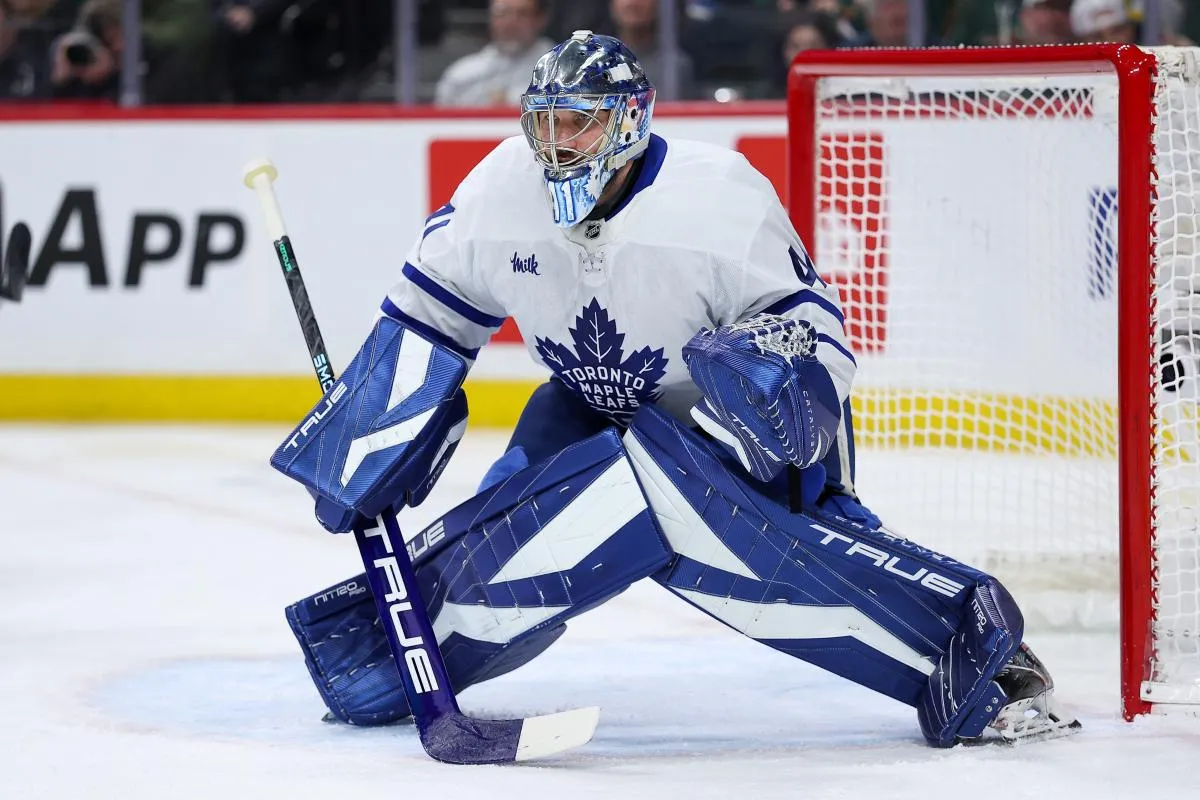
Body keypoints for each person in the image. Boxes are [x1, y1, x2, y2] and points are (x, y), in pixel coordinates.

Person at [273, 31, 1081, 749]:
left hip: (723, 417)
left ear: (628, 123)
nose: (556, 142)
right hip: (583, 404)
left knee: (760, 549)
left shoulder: (716, 198)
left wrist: (768, 428)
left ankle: (983, 654)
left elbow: (814, 335)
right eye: (544, 121)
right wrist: (369, 437)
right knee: (499, 548)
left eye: (579, 120)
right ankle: (381, 660)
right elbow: (427, 320)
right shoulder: (496, 194)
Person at [435, 0, 553, 107]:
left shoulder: (563, 70)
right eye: (502, 13)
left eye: (522, 14)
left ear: (541, 19)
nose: (511, 22)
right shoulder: (460, 75)